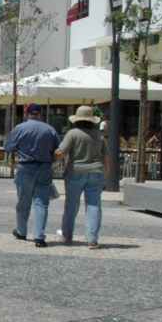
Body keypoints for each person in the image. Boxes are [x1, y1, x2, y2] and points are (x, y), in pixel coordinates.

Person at [4, 103, 61, 247]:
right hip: (45, 167)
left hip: (26, 166)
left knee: (23, 201)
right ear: (40, 113)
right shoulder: (50, 129)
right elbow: (58, 150)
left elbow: (8, 147)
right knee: (42, 203)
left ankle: (22, 231)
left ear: (26, 113)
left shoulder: (20, 128)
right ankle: (39, 236)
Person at [56, 106, 109, 249]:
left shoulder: (73, 133)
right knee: (93, 205)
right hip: (97, 172)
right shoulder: (99, 136)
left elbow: (61, 153)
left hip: (75, 172)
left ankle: (67, 233)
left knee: (71, 204)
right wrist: (106, 177)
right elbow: (106, 158)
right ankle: (92, 239)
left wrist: (49, 156)